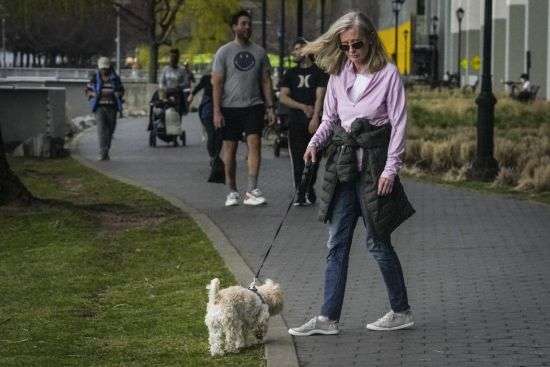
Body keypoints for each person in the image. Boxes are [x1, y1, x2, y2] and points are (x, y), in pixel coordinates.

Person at [288, 11, 416, 336]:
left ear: (370, 40)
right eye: (345, 46)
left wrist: (391, 168)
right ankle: (327, 319)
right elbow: (330, 119)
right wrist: (315, 143)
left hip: (374, 167)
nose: (351, 52)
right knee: (336, 242)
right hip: (343, 167)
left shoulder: (387, 74)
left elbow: (399, 124)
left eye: (356, 44)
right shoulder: (339, 74)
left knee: (377, 242)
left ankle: (401, 311)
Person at [212, 9, 276, 206]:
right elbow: (217, 83)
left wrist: (270, 107)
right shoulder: (224, 52)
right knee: (229, 151)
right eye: (243, 24)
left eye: (249, 24)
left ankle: (252, 189)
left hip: (253, 105)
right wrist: (216, 111)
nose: (247, 27)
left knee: (254, 143)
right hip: (229, 107)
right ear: (234, 27)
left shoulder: (260, 52)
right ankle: (232, 190)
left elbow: (265, 81)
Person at [280, 38, 328, 206]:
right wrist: (301, 107)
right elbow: (283, 96)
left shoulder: (319, 72)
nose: (295, 52)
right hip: (295, 122)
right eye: (294, 49)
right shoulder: (290, 73)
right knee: (298, 159)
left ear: (308, 51)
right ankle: (300, 191)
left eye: (298, 49)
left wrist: (315, 116)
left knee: (315, 157)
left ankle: (309, 186)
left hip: (314, 122)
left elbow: (320, 96)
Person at [188, 69, 224, 183]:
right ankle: (213, 157)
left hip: (221, 110)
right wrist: (191, 95)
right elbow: (198, 87)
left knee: (219, 136)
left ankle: (216, 157)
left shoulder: (224, 79)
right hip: (207, 110)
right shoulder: (206, 78)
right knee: (212, 135)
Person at [85, 57, 124, 161]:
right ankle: (103, 152)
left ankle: (106, 151)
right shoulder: (94, 78)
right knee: (102, 130)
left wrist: (118, 93)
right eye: (102, 68)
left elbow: (121, 90)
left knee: (110, 131)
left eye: (106, 68)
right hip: (99, 107)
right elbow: (87, 90)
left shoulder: (115, 78)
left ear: (109, 67)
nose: (104, 70)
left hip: (112, 107)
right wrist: (93, 94)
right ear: (99, 68)